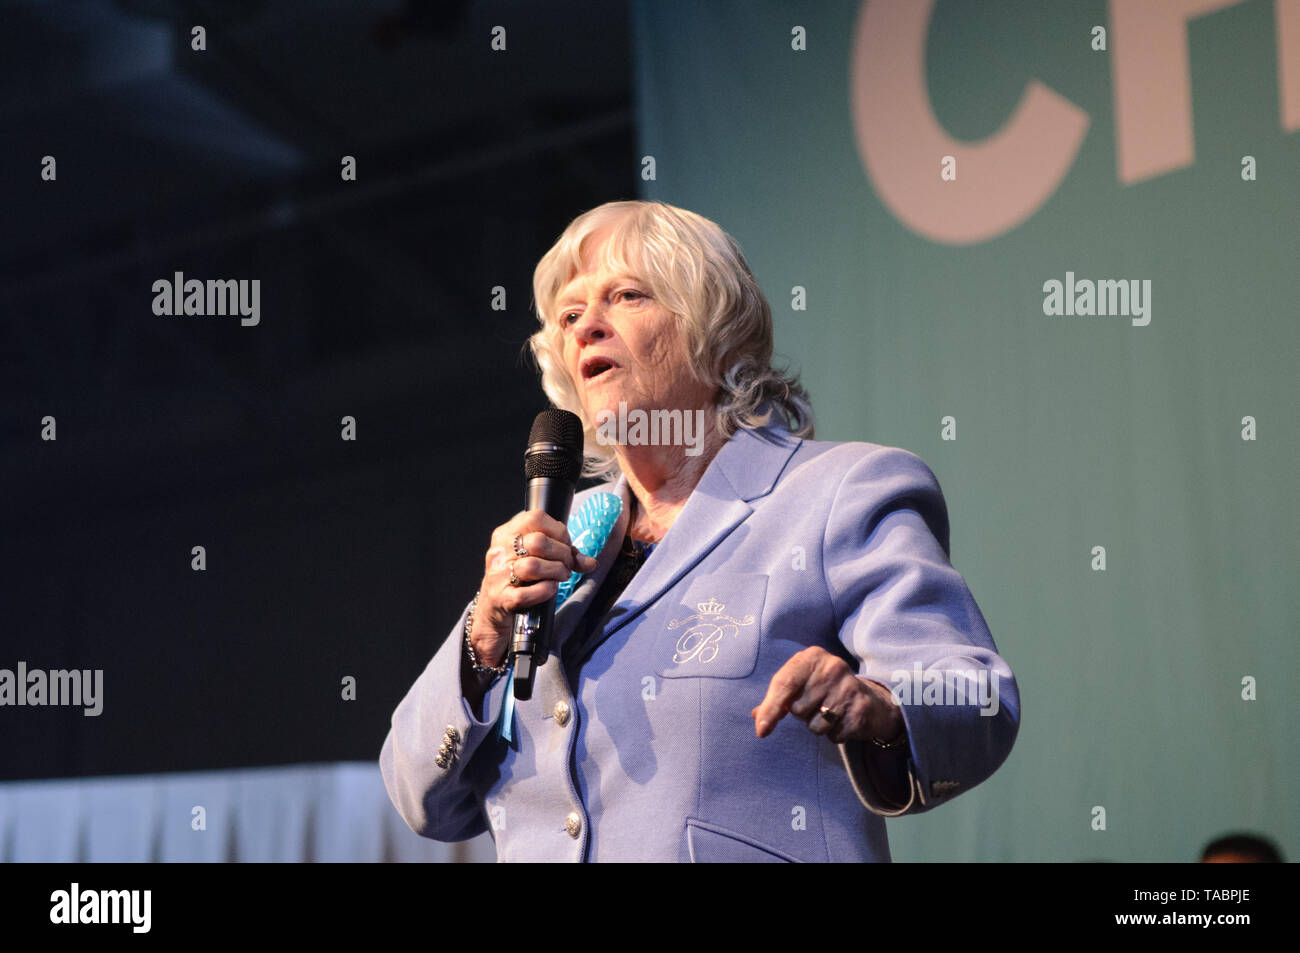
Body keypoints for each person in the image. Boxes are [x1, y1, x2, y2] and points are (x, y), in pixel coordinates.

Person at [380, 200, 1019, 861]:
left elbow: (973, 695)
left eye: (625, 295)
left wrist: (880, 706)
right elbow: (419, 794)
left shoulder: (836, 493)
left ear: (712, 327)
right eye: (569, 315)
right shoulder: (560, 541)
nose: (586, 328)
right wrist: (484, 634)